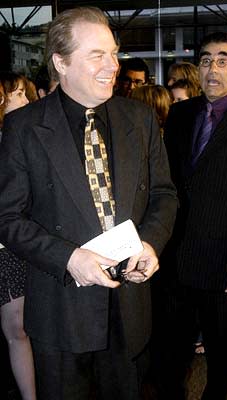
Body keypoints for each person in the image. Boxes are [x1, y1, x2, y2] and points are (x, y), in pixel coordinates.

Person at [0, 7, 177, 400]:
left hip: (129, 306)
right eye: (96, 55)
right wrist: (69, 257)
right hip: (61, 309)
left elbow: (164, 194)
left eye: (113, 53)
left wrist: (150, 243)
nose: (112, 65)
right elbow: (8, 217)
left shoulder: (140, 118)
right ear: (60, 62)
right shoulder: (24, 127)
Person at [160, 31, 227, 400]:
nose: (213, 69)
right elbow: (168, 185)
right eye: (206, 60)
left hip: (224, 268)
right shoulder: (179, 115)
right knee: (171, 352)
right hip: (173, 259)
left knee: (219, 357)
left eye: (223, 60)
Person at [0, 72, 36, 400]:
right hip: (9, 250)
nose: (26, 101)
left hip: (12, 250)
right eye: (18, 94)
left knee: (18, 331)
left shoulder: (21, 137)